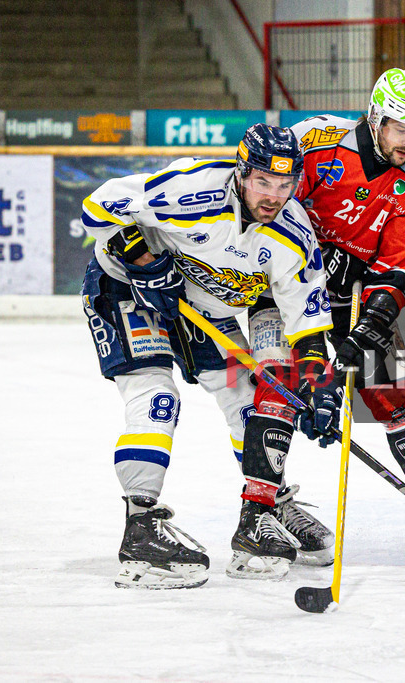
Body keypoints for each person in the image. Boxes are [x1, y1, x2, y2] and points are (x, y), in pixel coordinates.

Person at [80, 123, 339, 588]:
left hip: (196, 300)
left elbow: (309, 323)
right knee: (158, 398)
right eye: (263, 181)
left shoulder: (294, 235)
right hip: (123, 286)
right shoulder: (193, 190)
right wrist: (145, 262)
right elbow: (98, 206)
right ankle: (140, 530)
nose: (273, 195)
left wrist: (319, 386)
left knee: (245, 395)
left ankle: (265, 508)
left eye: (285, 184)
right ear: (242, 172)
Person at [277, 67, 405, 565]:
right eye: (400, 129)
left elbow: (397, 272)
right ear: (375, 118)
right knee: (276, 397)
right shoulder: (315, 145)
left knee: (393, 400)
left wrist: (368, 328)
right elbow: (266, 207)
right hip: (287, 294)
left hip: (354, 300)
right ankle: (267, 507)